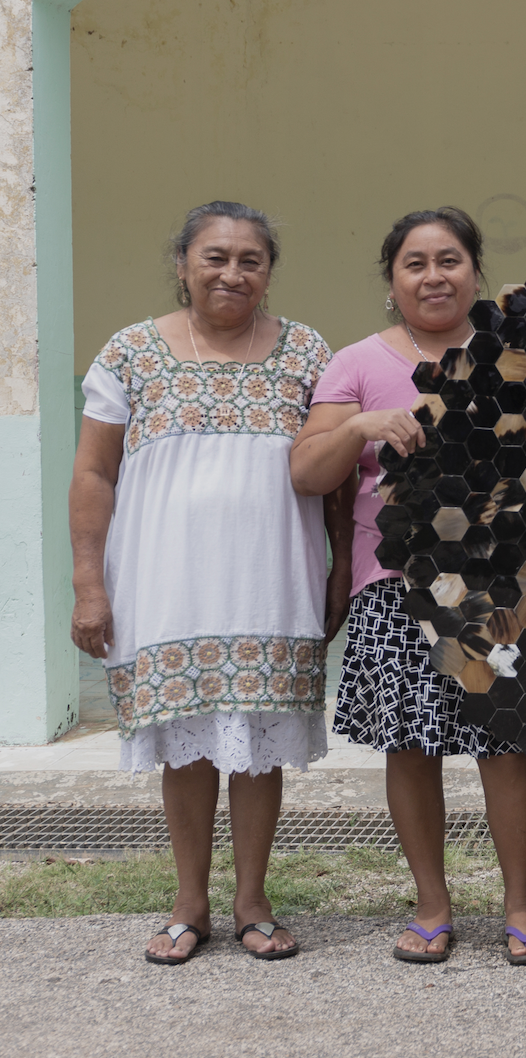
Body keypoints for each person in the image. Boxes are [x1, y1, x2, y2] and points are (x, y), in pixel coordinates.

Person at [70, 200, 349, 964]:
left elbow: (335, 480)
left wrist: (341, 569)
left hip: (271, 580)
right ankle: (189, 902)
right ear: (184, 264)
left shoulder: (306, 352)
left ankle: (252, 901)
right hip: (167, 581)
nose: (232, 272)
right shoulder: (130, 351)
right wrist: (88, 584)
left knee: (256, 743)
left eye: (250, 259)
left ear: (268, 271)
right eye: (215, 257)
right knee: (186, 746)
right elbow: (94, 473)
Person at [289, 207, 526, 966]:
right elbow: (308, 473)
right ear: (391, 279)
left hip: (504, 589)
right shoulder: (357, 363)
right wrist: (360, 427)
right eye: (415, 263)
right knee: (410, 748)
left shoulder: (521, 354)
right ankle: (432, 905)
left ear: (474, 270)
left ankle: (520, 906)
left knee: (504, 748)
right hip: (397, 587)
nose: (434, 276)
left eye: (449, 260)